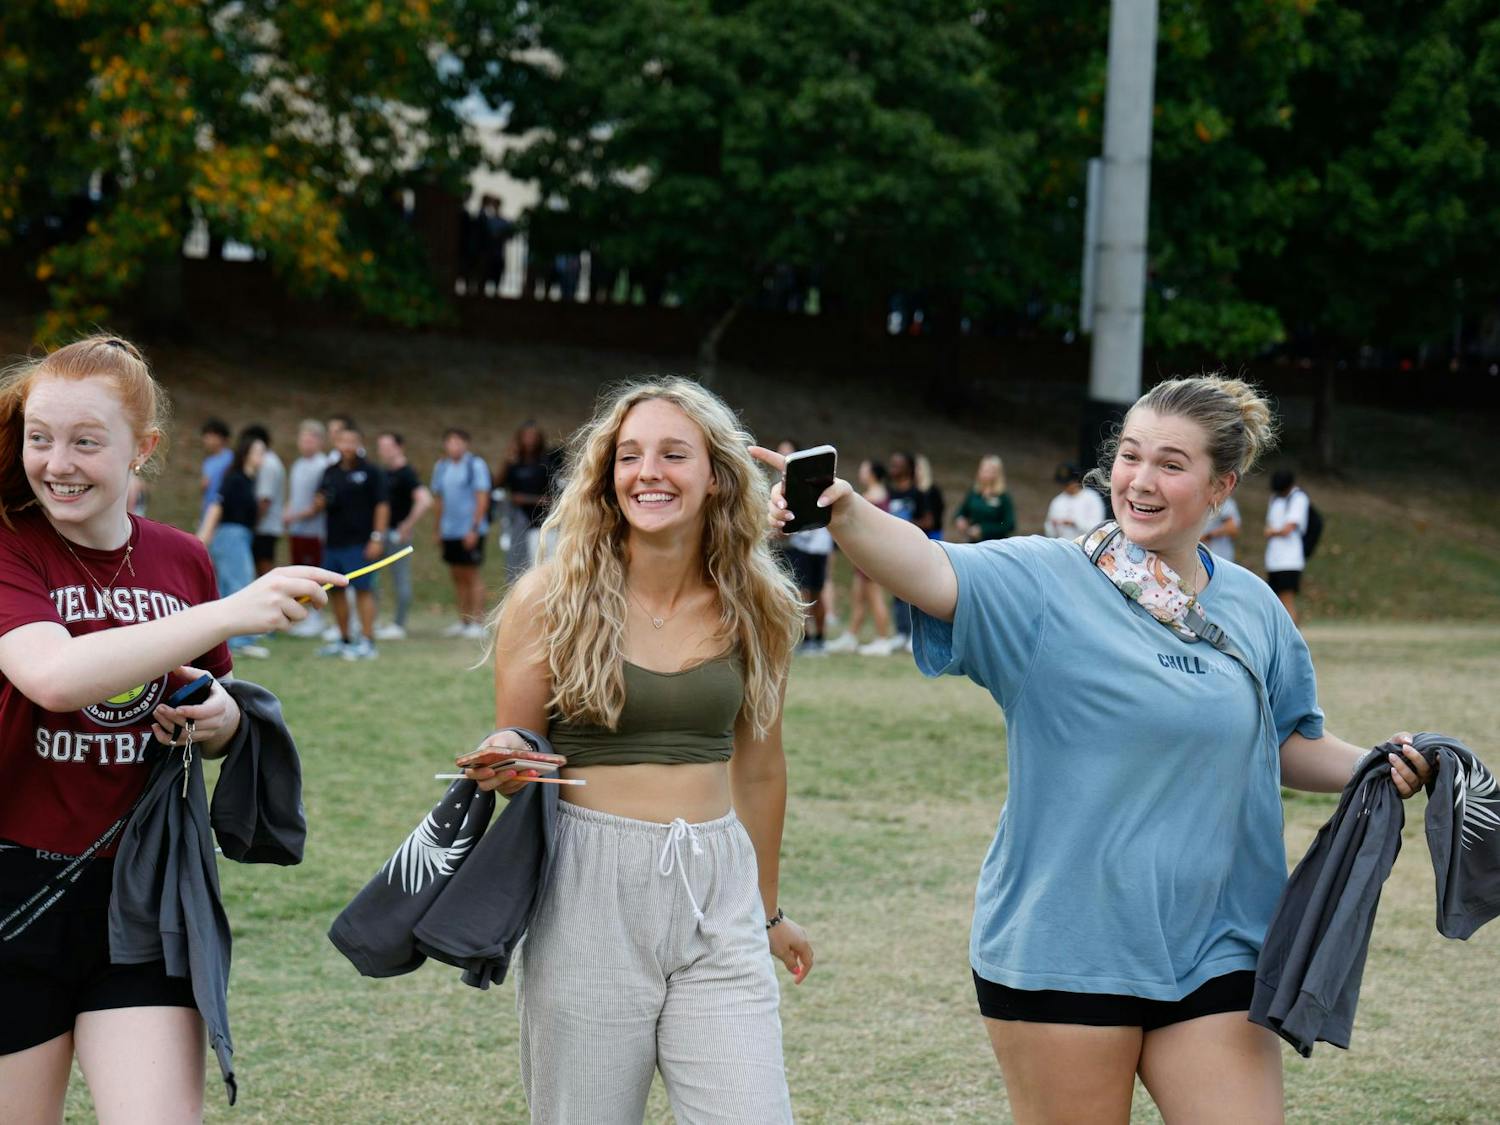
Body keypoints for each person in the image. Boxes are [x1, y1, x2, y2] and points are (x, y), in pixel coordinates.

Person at [754, 375, 1430, 1123]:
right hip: (1068, 949)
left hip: (1218, 943)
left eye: (1172, 464)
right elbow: (928, 565)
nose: (1141, 480)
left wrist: (1377, 762)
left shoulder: (1253, 607)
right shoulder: (1045, 581)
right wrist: (846, 511)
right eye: (1131, 456)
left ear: (1221, 487)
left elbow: (1289, 743)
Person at [0, 335, 342, 1123]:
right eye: (39, 437)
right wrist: (229, 610)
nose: (57, 462)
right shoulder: (12, 545)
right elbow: (52, 676)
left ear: (142, 449)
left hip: (144, 892)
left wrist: (219, 719)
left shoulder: (183, 562)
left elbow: (204, 698)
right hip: (15, 891)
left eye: (86, 442)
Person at [461, 377, 813, 1123]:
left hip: (717, 890)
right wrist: (505, 763)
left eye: (673, 454)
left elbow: (760, 767)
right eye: (629, 455)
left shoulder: (760, 602)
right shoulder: (548, 597)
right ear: (607, 475)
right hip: (587, 889)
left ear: (716, 475)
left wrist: (767, 911)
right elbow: (521, 758)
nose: (647, 471)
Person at [314, 421, 388, 660]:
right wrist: (320, 502)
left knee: (363, 590)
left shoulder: (371, 472)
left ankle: (367, 641)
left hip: (360, 542)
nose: (347, 446)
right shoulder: (330, 471)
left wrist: (377, 537)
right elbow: (320, 500)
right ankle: (345, 639)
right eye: (342, 441)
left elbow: (382, 505)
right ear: (336, 443)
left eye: (352, 442)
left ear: (359, 444)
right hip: (334, 541)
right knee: (335, 591)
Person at [196, 430, 271, 660]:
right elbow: (216, 506)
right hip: (230, 537)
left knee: (233, 585)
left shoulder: (249, 480)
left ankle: (233, 639)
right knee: (239, 586)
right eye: (258, 451)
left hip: (241, 536)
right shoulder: (234, 478)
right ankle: (239, 641)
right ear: (246, 453)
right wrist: (201, 539)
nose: (262, 456)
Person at [824, 460, 896, 655]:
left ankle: (883, 640)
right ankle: (851, 636)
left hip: (872, 553)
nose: (861, 472)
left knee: (875, 597)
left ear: (873, 473)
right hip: (863, 553)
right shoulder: (874, 494)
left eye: (865, 469)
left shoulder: (876, 495)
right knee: (858, 596)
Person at [430, 427, 491, 639]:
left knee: (472, 574)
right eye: (450, 442)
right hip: (450, 531)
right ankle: (463, 620)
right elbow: (439, 499)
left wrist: (474, 529)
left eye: (458, 442)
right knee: (457, 575)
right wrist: (437, 528)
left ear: (466, 444)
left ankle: (478, 622)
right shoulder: (442, 467)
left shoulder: (475, 465)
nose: (454, 446)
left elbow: (482, 498)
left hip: (470, 530)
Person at [775, 440, 833, 655]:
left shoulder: (806, 482)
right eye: (780, 453)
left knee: (812, 592)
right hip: (806, 545)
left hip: (813, 546)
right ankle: (809, 638)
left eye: (787, 454)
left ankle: (816, 637)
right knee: (805, 593)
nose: (782, 457)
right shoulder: (783, 482)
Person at [373, 431, 431, 641]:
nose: (383, 451)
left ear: (399, 447)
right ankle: (372, 620)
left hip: (397, 536)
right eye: (380, 447)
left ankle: (399, 624)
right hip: (381, 534)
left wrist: (406, 525)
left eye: (387, 447)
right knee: (371, 578)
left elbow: (425, 500)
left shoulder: (406, 473)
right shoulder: (385, 473)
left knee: (401, 579)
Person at [498, 420, 560, 586]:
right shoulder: (514, 464)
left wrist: (527, 499)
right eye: (526, 436)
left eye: (533, 436)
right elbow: (498, 485)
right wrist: (507, 459)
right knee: (519, 568)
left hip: (542, 523)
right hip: (520, 523)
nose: (529, 440)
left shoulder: (548, 461)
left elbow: (555, 493)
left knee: (542, 567)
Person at [282, 420, 329, 638]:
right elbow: (294, 496)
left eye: (310, 439)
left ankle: (318, 617)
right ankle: (304, 616)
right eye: (303, 438)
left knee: (315, 575)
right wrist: (288, 512)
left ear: (319, 441)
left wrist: (298, 515)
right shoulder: (298, 464)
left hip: (315, 531)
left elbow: (319, 502)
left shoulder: (324, 465)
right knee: (299, 574)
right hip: (297, 531)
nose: (306, 443)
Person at [1264, 469, 1308, 625]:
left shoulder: (1298, 498)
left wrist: (1272, 532)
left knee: (1287, 600)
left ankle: (1294, 639)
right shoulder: (1275, 498)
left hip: (1290, 560)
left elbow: (1288, 528)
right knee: (1276, 602)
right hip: (1273, 559)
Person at [243, 424, 285, 577]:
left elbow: (264, 500)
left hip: (265, 527)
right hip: (266, 526)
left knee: (264, 570)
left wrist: (252, 523)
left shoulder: (268, 463)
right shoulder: (271, 461)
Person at [955, 455, 1018, 542]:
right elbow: (961, 511)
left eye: (988, 470)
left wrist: (984, 530)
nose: (983, 473)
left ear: (997, 473)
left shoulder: (1003, 497)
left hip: (995, 544)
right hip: (974, 543)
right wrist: (960, 519)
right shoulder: (974, 493)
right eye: (982, 469)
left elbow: (1009, 525)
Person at [1042, 462, 1106, 540]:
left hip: (1086, 547)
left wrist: (1075, 523)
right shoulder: (1057, 501)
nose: (1065, 487)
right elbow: (1049, 531)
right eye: (1063, 484)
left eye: (1067, 484)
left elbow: (1098, 528)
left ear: (1076, 481)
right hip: (1063, 545)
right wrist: (1053, 526)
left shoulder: (1091, 498)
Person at [198, 418, 231, 521]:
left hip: (222, 510)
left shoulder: (230, 458)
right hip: (208, 509)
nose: (205, 439)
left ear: (220, 437)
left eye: (209, 436)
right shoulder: (208, 462)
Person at [1202, 494, 1242, 562]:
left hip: (1218, 557)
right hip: (1205, 556)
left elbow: (1232, 528)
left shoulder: (1225, 503)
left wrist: (1207, 536)